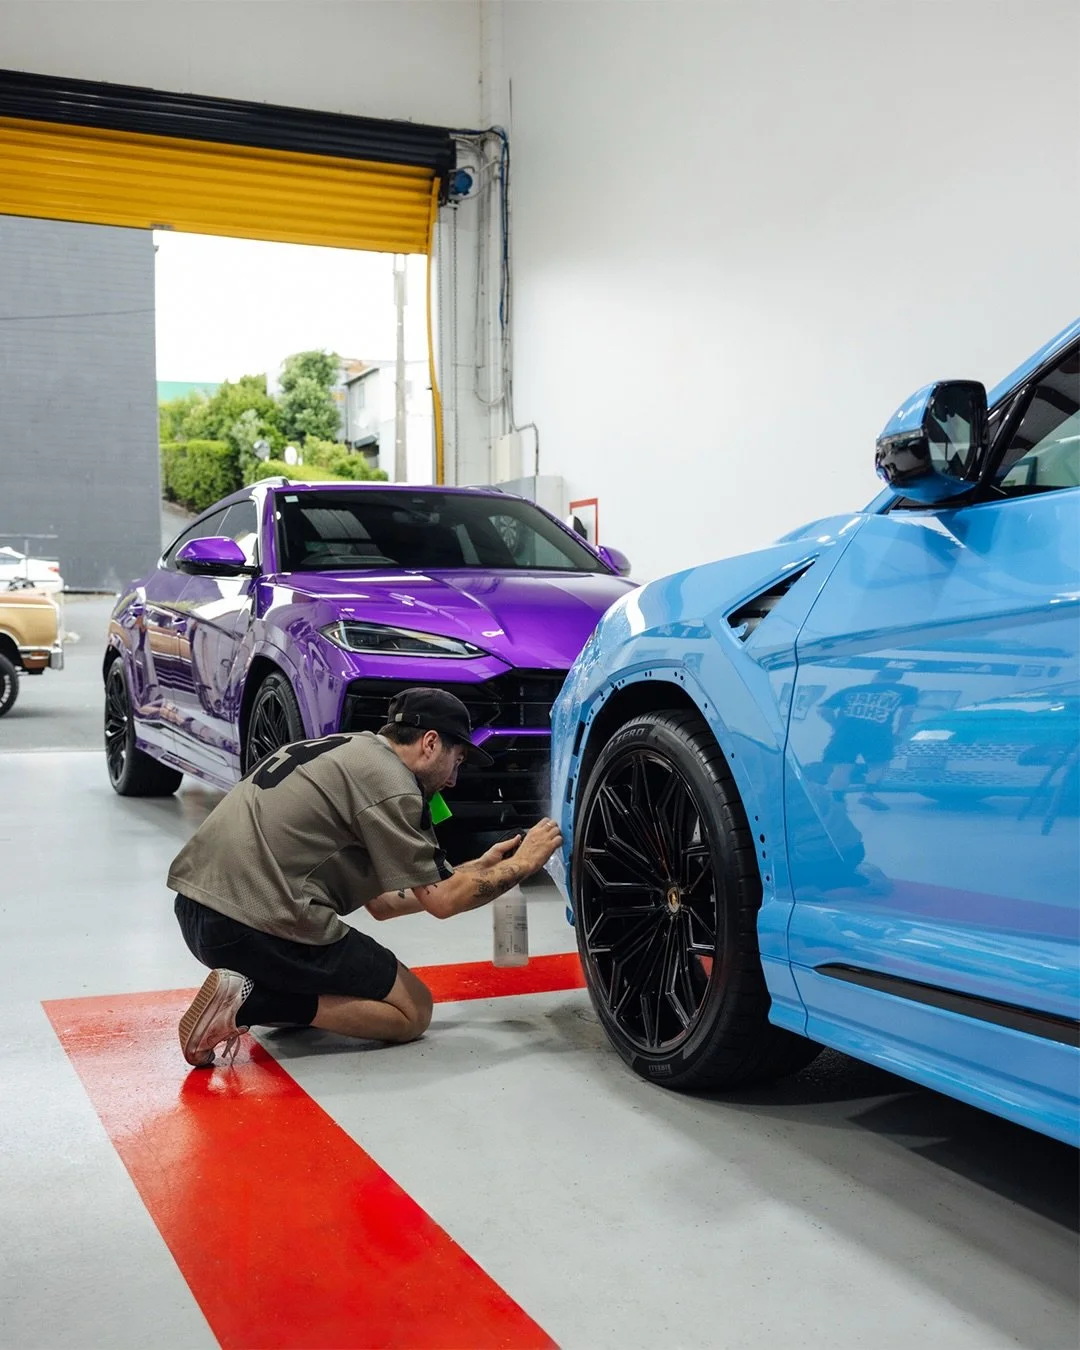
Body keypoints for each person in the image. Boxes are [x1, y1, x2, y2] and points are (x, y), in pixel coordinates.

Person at [170, 687, 563, 1067]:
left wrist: (479, 868)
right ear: (430, 743)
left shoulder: (348, 752)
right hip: (254, 926)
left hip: (198, 913)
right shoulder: (394, 786)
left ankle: (248, 991)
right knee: (412, 1011)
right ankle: (251, 1004)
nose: (453, 780)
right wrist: (524, 864)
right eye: (457, 760)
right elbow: (442, 902)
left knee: (336, 990)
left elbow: (384, 903)